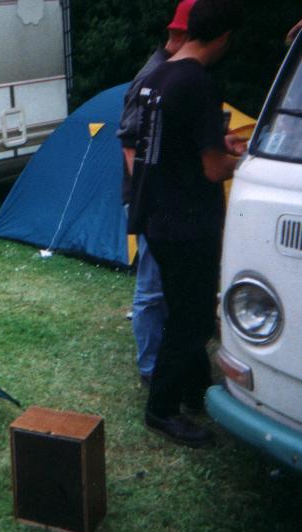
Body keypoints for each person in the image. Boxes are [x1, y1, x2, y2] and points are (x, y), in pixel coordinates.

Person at [129, 0, 247, 448]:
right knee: (192, 320)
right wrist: (246, 159)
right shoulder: (199, 83)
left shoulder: (157, 76)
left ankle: (196, 393)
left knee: (185, 309)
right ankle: (161, 410)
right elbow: (213, 170)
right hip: (188, 221)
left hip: (156, 215)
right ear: (224, 38)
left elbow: (173, 143)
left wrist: (219, 143)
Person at [117, 0, 195, 390]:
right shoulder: (152, 75)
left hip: (160, 200)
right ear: (179, 35)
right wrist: (151, 196)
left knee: (163, 284)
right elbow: (128, 141)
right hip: (148, 201)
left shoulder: (174, 71)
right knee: (150, 288)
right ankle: (149, 368)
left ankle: (162, 356)